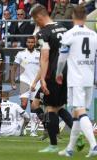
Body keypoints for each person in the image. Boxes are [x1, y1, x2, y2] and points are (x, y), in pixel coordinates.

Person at [31, 5, 74, 152]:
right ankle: (77, 135)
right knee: (59, 106)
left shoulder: (44, 33)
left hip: (53, 72)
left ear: (39, 17)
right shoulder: (63, 28)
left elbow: (45, 57)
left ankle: (53, 145)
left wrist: (42, 79)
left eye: (35, 20)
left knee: (50, 108)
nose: (36, 23)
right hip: (67, 70)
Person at [56, 5, 97, 157]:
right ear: (86, 17)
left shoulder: (70, 34)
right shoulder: (93, 34)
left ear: (73, 17)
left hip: (76, 78)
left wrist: (58, 73)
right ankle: (70, 149)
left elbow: (62, 58)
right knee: (76, 114)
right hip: (89, 78)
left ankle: (94, 145)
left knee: (80, 111)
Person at [11, 36, 40, 137]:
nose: (30, 44)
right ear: (26, 43)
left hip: (36, 83)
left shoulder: (39, 54)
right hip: (24, 81)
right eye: (29, 42)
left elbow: (43, 69)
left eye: (32, 42)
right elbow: (14, 67)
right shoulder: (21, 54)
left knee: (34, 107)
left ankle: (33, 130)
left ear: (35, 43)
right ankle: (21, 127)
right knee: (23, 104)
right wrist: (12, 81)